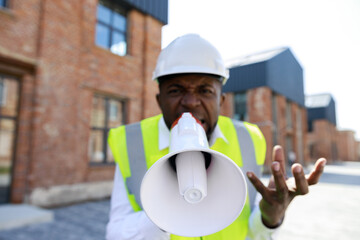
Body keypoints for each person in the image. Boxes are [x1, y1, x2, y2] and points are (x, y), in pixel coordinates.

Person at [106, 34, 326, 240]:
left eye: (205, 91)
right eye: (175, 90)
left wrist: (271, 217)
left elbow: (253, 230)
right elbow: (115, 233)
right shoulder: (131, 142)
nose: (191, 102)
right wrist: (166, 212)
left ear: (221, 101)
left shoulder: (249, 139)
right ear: (159, 100)